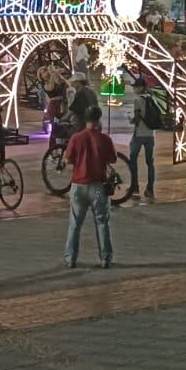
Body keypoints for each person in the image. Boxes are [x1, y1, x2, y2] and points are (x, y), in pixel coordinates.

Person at [62, 105, 115, 269]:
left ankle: (71, 258)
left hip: (78, 184)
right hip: (98, 185)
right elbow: (112, 159)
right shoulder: (105, 139)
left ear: (85, 119)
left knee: (75, 224)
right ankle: (105, 258)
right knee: (102, 223)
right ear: (99, 119)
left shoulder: (76, 138)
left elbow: (68, 159)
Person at [125, 76, 157, 204]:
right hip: (150, 134)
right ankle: (150, 189)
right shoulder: (151, 98)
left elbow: (137, 119)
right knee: (150, 163)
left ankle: (135, 188)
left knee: (132, 160)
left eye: (136, 87)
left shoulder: (138, 100)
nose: (134, 89)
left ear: (141, 88)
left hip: (139, 134)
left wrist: (131, 120)